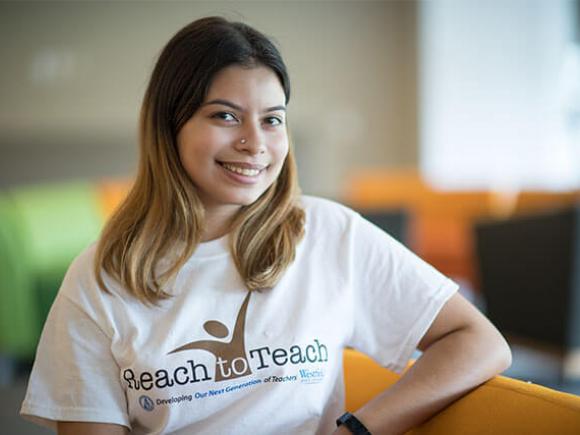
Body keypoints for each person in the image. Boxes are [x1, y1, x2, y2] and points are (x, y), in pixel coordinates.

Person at [20, 16, 512, 435]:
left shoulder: (327, 234)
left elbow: (479, 342)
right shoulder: (101, 277)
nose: (255, 143)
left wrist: (357, 429)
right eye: (225, 116)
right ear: (169, 126)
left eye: (272, 119)